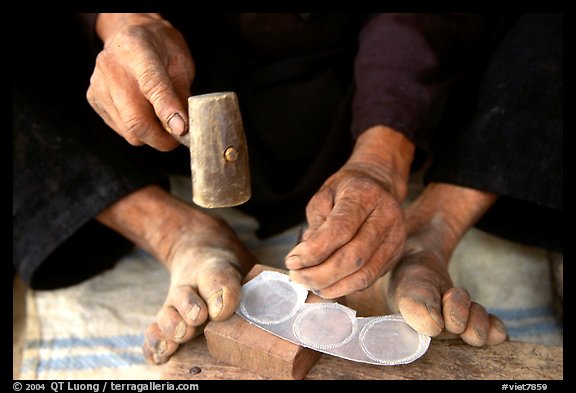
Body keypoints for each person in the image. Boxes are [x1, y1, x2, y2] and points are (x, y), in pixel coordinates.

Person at [13, 13, 562, 365]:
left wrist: (381, 158)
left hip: (369, 76)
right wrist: (126, 22)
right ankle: (176, 229)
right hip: (185, 76)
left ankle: (430, 224)